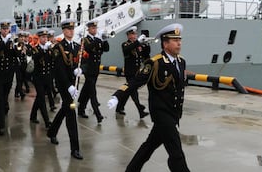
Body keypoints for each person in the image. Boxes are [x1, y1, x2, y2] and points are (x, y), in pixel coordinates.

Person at [107, 23, 190, 172]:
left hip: (173, 114)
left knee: (148, 147)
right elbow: (135, 82)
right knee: (176, 153)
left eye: (179, 39)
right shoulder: (155, 63)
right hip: (161, 114)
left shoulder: (181, 61)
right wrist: (118, 96)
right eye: (174, 40)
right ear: (165, 44)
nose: (179, 43)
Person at [47, 19, 83, 160]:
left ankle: (52, 131)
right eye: (68, 29)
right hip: (64, 86)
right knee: (71, 113)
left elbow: (80, 62)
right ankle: (75, 149)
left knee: (65, 109)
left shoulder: (75, 46)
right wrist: (68, 86)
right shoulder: (58, 48)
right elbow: (59, 70)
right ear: (63, 31)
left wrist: (79, 70)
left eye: (72, 29)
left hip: (73, 84)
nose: (71, 31)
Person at [77, 20, 109, 123]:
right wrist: (98, 40)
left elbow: (106, 49)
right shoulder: (85, 39)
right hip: (88, 69)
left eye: (95, 28)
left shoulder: (98, 40)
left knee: (87, 90)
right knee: (92, 92)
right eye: (93, 28)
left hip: (95, 69)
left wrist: (104, 39)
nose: (95, 30)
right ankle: (98, 114)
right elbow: (88, 49)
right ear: (88, 29)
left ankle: (81, 108)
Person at [115, 26, 149, 118]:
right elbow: (127, 50)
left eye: (135, 34)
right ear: (128, 35)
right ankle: (140, 109)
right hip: (130, 72)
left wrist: (146, 44)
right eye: (133, 34)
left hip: (137, 72)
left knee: (128, 91)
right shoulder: (125, 44)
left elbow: (145, 55)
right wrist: (138, 42)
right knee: (133, 92)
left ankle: (119, 107)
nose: (135, 36)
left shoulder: (138, 45)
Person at [0, 20, 16, 135]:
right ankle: (1, 125)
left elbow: (16, 55)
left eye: (7, 29)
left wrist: (15, 46)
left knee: (4, 98)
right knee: (0, 98)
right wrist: (4, 42)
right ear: (0, 30)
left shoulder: (12, 41)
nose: (5, 30)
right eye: (3, 29)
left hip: (9, 75)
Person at [30, 28, 53, 128]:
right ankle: (47, 121)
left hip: (47, 77)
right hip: (38, 78)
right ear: (39, 38)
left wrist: (50, 50)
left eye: (46, 37)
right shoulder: (34, 49)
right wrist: (44, 50)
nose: (45, 39)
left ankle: (33, 115)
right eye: (43, 37)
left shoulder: (49, 48)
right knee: (42, 99)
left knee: (39, 97)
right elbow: (35, 58)